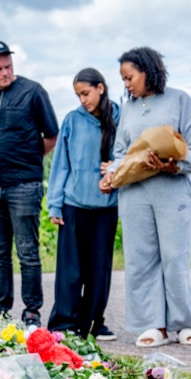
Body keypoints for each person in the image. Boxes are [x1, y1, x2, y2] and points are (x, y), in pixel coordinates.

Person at [99, 47, 191, 348]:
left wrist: (173, 166)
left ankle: (184, 324)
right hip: (134, 194)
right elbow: (120, 153)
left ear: (148, 71)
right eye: (123, 79)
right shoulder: (129, 108)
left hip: (172, 190)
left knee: (174, 257)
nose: (127, 84)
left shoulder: (180, 100)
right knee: (140, 259)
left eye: (130, 77)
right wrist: (111, 175)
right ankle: (153, 326)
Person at [0, 40, 59, 328]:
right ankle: (0, 309)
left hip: (24, 185)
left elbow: (52, 135)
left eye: (8, 66)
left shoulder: (33, 92)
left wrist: (30, 161)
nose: (5, 72)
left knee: (27, 252)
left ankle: (32, 311)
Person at [46, 68, 121, 341]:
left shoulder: (120, 117)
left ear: (100, 88)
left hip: (106, 207)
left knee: (99, 269)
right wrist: (55, 204)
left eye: (86, 93)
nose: (83, 100)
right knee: (70, 270)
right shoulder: (72, 120)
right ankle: (64, 324)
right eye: (79, 95)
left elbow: (129, 156)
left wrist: (117, 167)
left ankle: (93, 324)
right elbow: (60, 164)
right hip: (73, 204)